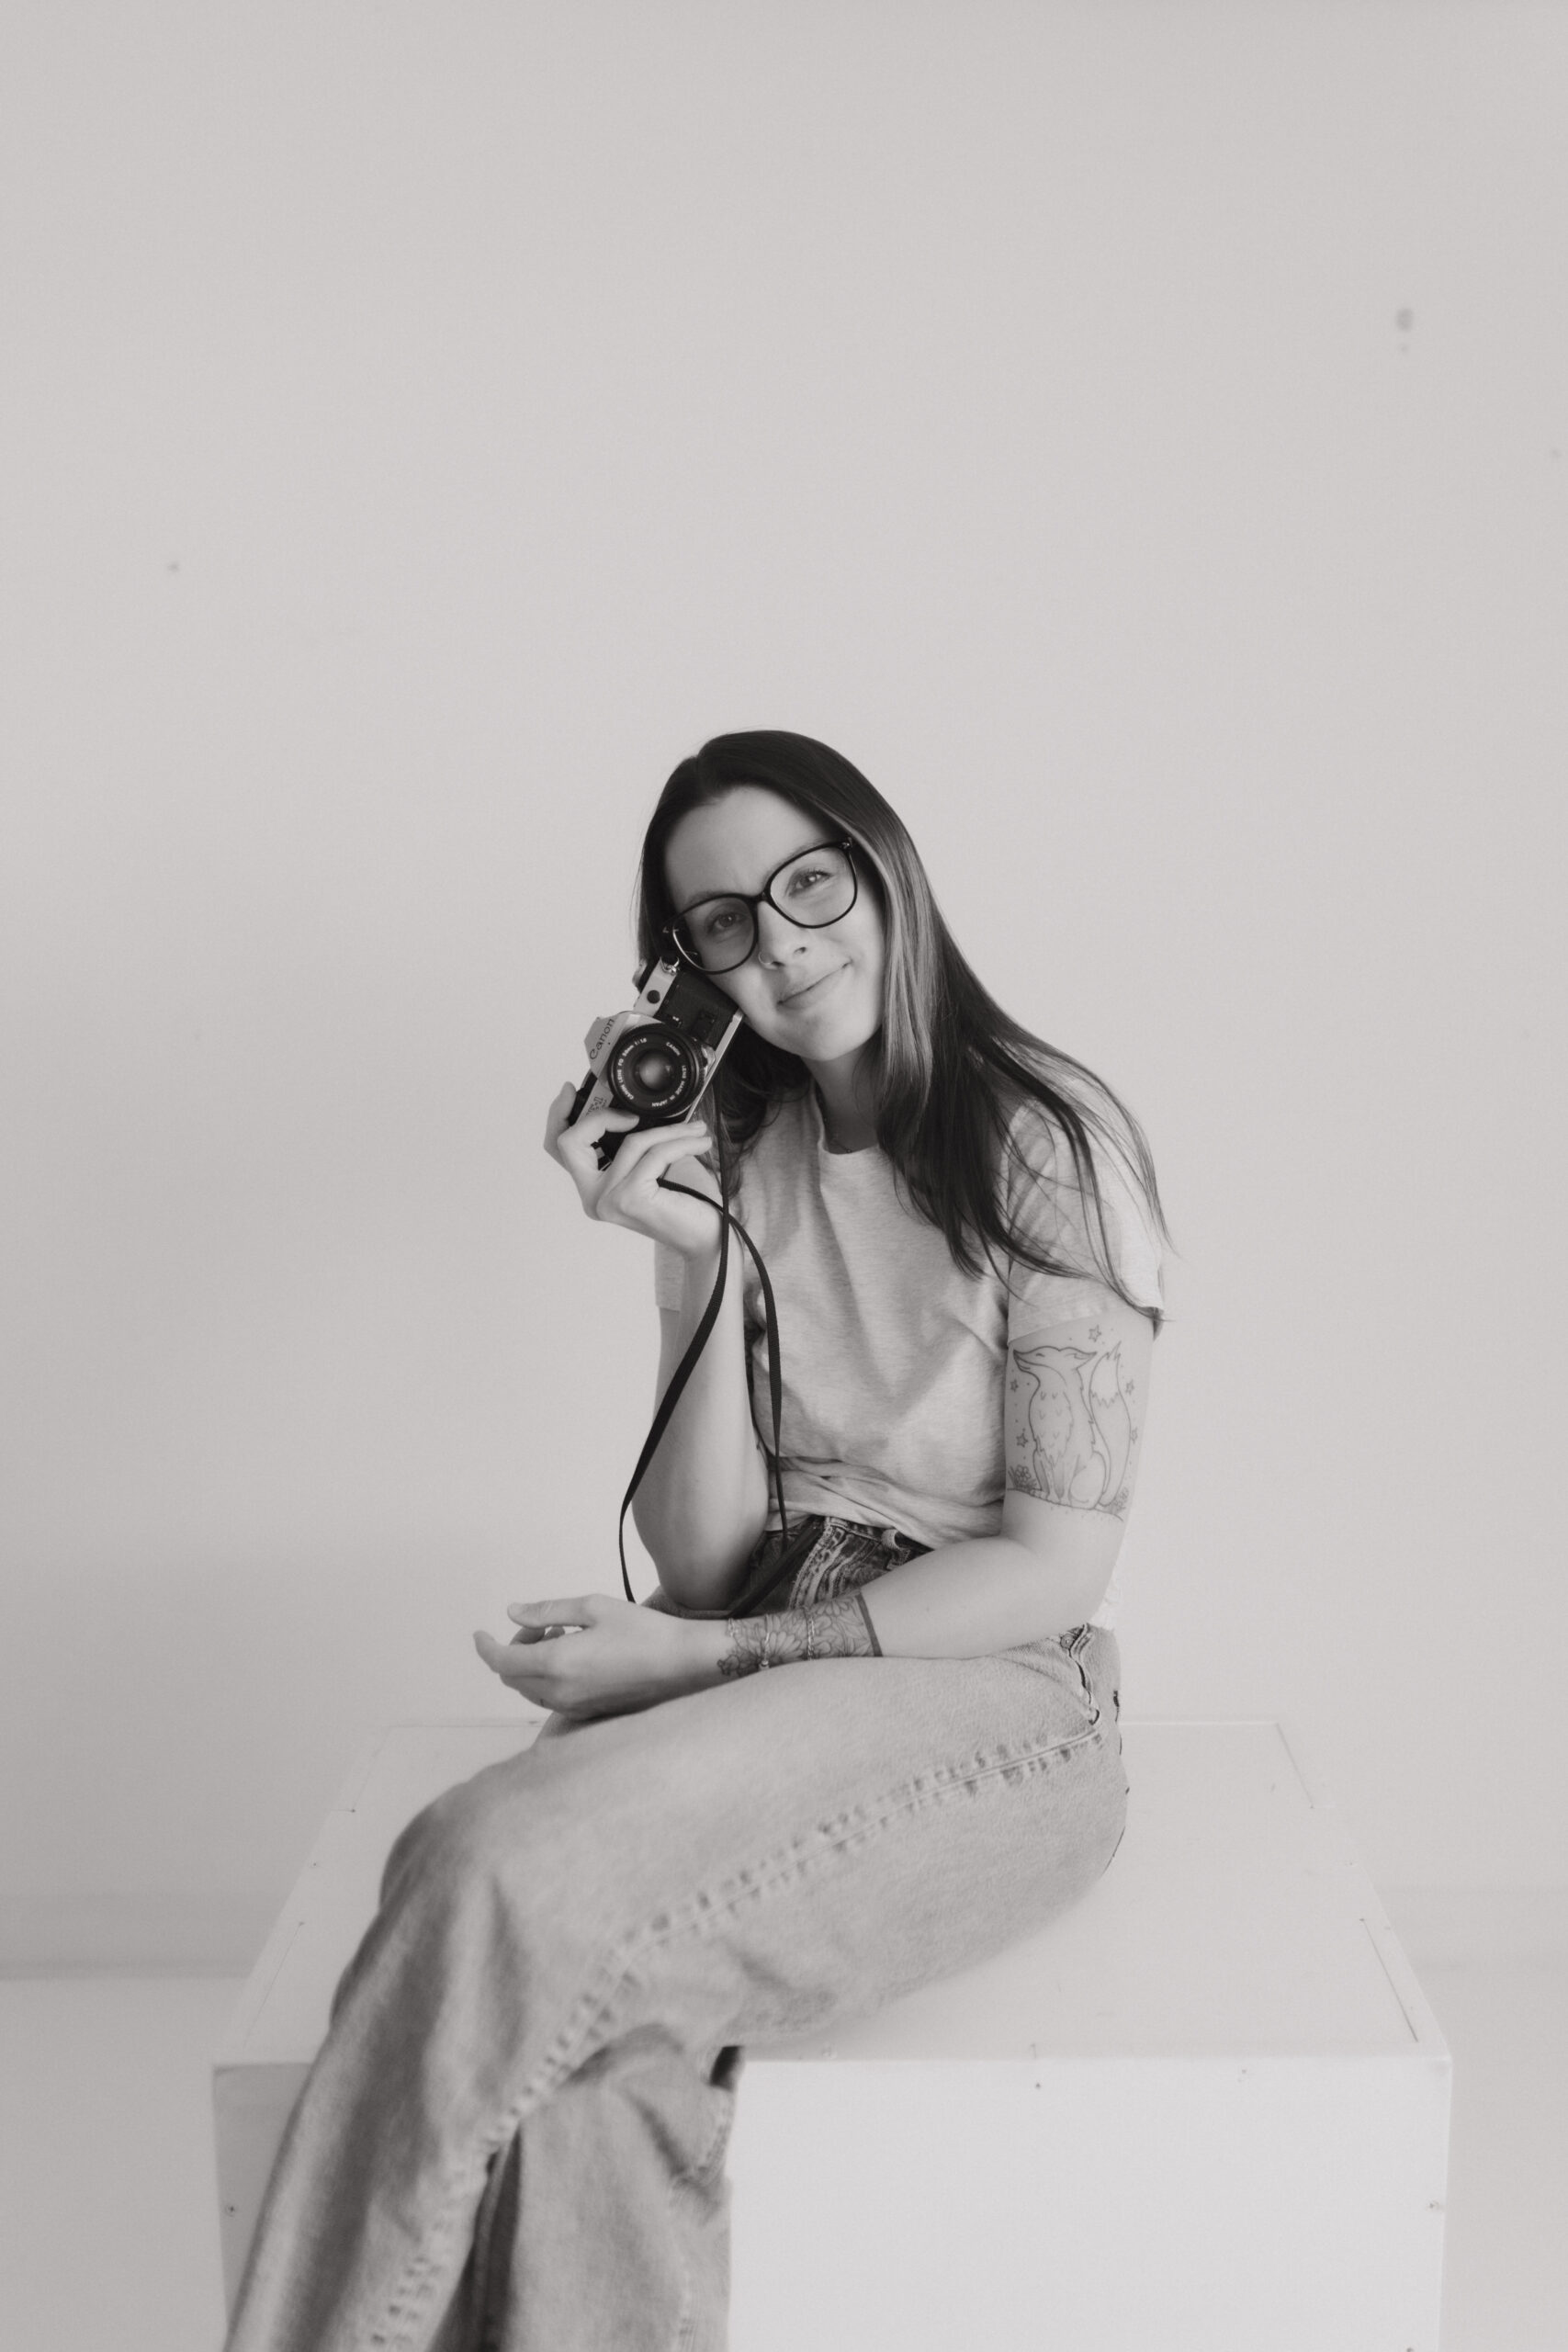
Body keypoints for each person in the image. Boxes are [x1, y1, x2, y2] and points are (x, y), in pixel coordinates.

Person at [224, 729, 1168, 2352]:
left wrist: (705, 1657)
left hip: (994, 1691)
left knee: (484, 1863)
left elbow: (1054, 1567)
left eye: (811, 882)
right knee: (592, 2062)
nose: (785, 941)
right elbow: (719, 1553)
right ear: (688, 972)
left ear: (885, 872)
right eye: (723, 920)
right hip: (764, 1633)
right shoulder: (753, 1149)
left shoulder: (1045, 1142)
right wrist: (690, 1257)